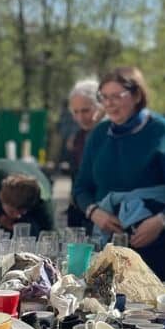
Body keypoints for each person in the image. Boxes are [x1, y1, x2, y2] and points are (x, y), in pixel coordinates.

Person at [73, 66, 165, 280]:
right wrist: (95, 213)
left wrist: (161, 221)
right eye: (104, 97)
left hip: (158, 244)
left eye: (116, 96)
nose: (109, 103)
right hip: (110, 244)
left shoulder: (163, 131)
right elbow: (81, 188)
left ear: (137, 95)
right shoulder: (99, 135)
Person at [0, 158, 55, 235]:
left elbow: (51, 233)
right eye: (12, 211)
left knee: (31, 229)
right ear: (1, 197)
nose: (17, 216)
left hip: (37, 176)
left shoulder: (44, 200)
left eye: (22, 212)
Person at [65, 78, 103, 226]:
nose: (81, 117)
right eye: (76, 112)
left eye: (86, 110)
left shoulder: (112, 135)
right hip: (82, 212)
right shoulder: (77, 138)